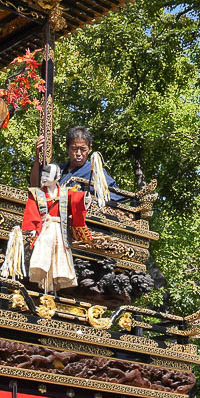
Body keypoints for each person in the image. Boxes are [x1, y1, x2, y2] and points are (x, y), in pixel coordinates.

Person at [20, 163, 93, 293]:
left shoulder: (65, 193)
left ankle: (58, 278)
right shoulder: (36, 193)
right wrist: (32, 227)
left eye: (47, 175)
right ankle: (41, 273)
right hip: (45, 228)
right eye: (43, 175)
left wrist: (85, 198)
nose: (44, 178)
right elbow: (31, 211)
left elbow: (76, 201)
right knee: (43, 249)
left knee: (60, 253)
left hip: (59, 230)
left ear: (57, 177)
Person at [30, 126, 123, 209]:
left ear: (89, 149)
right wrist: (38, 157)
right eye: (74, 149)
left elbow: (114, 196)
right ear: (67, 147)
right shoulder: (58, 170)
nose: (78, 153)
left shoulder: (94, 172)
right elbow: (36, 187)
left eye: (83, 149)